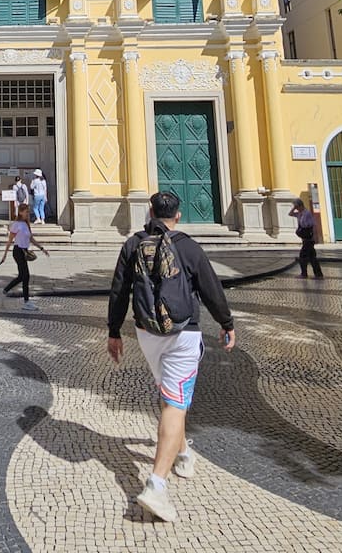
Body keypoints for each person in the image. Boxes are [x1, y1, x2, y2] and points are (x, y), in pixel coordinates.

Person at [107, 190, 235, 523]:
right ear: (178, 216)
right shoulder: (188, 247)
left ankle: (183, 453)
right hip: (183, 332)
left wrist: (113, 331)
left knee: (170, 397)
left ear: (150, 212)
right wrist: (226, 322)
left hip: (148, 333)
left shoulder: (133, 244)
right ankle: (156, 485)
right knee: (175, 403)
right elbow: (210, 289)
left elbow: (119, 290)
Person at [0, 203, 49, 311]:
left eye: (28, 211)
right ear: (20, 212)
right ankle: (26, 302)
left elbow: (31, 239)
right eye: (26, 211)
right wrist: (4, 255)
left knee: (22, 276)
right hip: (18, 251)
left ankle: (4, 291)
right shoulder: (16, 224)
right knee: (26, 276)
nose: (28, 213)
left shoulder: (26, 224)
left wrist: (42, 248)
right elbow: (10, 240)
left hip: (24, 251)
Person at [289, 198, 323, 279]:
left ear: (300, 205)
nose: (296, 208)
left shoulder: (307, 213)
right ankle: (318, 274)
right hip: (305, 238)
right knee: (312, 257)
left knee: (303, 256)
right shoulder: (299, 214)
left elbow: (312, 225)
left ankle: (304, 274)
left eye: (296, 206)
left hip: (309, 238)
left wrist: (315, 237)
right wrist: (294, 208)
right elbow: (290, 214)